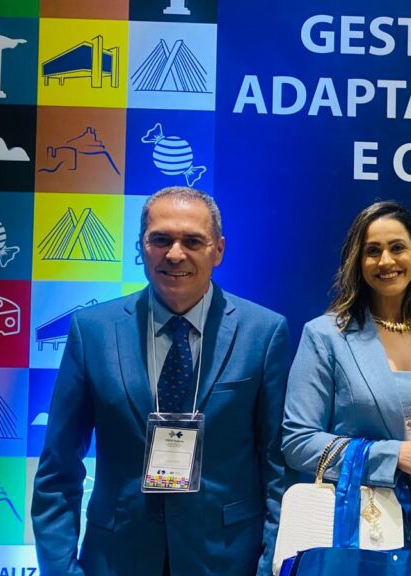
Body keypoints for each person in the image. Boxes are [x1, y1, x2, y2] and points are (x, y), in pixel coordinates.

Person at [31, 187, 290, 576]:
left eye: (193, 241)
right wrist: (61, 570)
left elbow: (278, 470)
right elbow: (57, 469)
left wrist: (270, 567)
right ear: (142, 246)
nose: (175, 254)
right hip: (116, 561)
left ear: (218, 250)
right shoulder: (93, 331)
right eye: (161, 239)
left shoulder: (264, 332)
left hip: (226, 560)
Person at [282, 201, 411, 544]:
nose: (386, 261)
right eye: (373, 251)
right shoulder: (325, 336)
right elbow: (298, 442)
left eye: (397, 248)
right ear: (358, 260)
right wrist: (392, 455)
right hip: (364, 530)